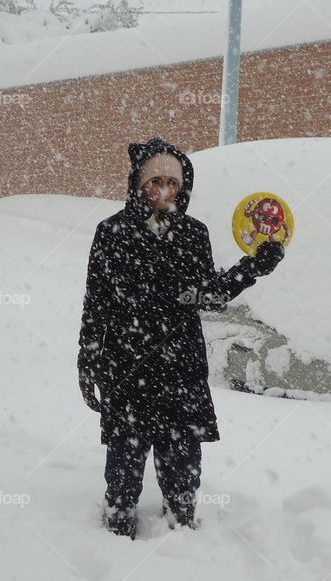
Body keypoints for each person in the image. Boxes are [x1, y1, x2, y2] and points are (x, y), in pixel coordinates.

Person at [77, 137, 285, 540]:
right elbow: (96, 302)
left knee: (182, 472)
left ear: (183, 187)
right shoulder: (111, 233)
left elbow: (210, 295)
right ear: (138, 184)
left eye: (173, 183)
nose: (164, 190)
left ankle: (183, 538)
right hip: (126, 366)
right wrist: (88, 359)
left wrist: (254, 266)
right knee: (123, 470)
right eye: (155, 181)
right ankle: (116, 534)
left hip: (180, 368)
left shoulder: (193, 234)